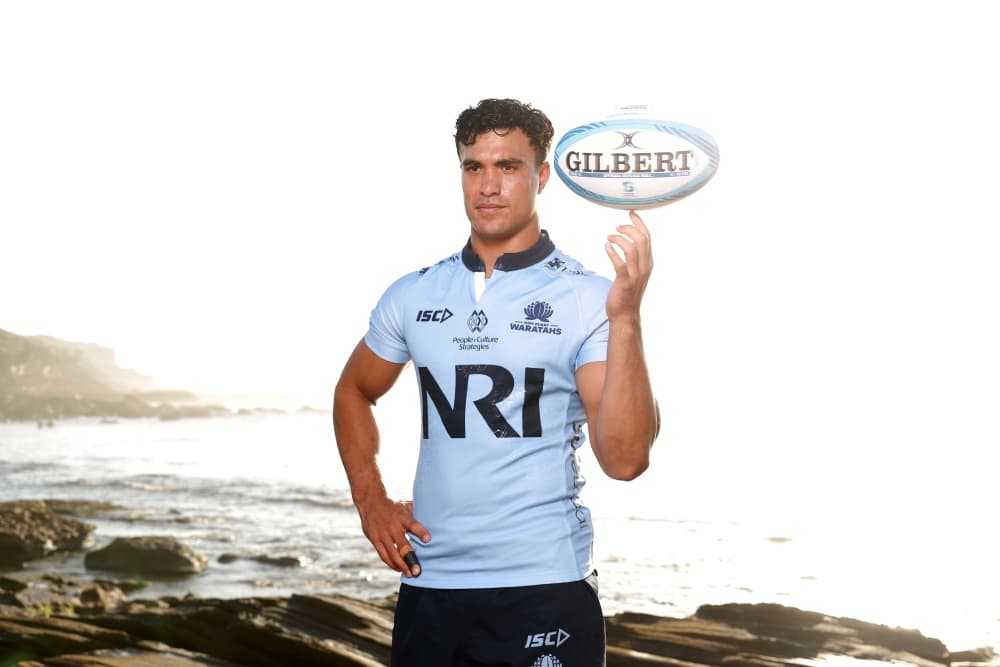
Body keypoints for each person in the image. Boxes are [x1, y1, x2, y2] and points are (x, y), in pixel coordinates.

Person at [333, 98, 659, 666]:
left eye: (507, 167)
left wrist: (626, 317)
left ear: (540, 176)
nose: (488, 185)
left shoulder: (588, 299)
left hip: (545, 589)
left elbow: (625, 459)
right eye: (473, 166)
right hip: (431, 588)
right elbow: (354, 391)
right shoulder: (414, 294)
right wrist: (370, 500)